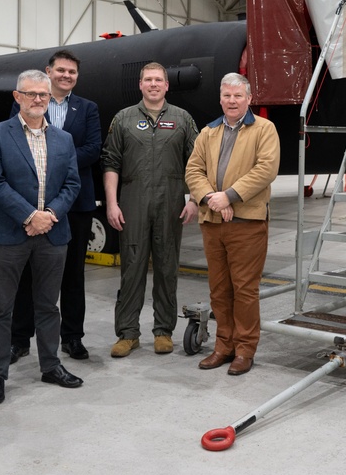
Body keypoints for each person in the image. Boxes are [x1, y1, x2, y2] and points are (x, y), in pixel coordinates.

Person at [0, 70, 82, 405]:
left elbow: (72, 185)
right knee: (1, 309)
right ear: (17, 96)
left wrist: (49, 216)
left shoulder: (63, 139)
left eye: (44, 94)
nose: (39, 99)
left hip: (53, 234)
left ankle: (51, 365)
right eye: (31, 94)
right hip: (10, 234)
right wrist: (29, 216)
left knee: (48, 306)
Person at [102, 62, 199, 358]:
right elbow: (111, 163)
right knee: (131, 267)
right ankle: (128, 333)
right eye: (148, 79)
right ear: (141, 85)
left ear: (167, 85)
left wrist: (194, 198)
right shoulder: (123, 119)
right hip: (133, 200)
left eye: (158, 79)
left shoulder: (182, 119)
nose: (153, 84)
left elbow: (197, 164)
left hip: (171, 201)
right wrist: (112, 202)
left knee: (167, 267)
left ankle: (163, 331)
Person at [9, 51, 101, 363]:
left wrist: (55, 165)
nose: (66, 75)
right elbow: (15, 144)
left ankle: (72, 337)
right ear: (49, 71)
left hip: (75, 204)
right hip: (32, 205)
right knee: (26, 273)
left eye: (72, 72)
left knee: (73, 275)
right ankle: (20, 338)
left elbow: (92, 148)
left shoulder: (87, 108)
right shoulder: (26, 102)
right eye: (60, 70)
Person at [185, 73, 279, 376]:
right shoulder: (208, 132)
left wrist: (230, 197)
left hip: (247, 223)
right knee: (219, 289)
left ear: (249, 99)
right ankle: (223, 345)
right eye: (227, 95)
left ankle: (245, 349)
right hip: (212, 221)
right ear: (221, 99)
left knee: (244, 290)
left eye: (238, 95)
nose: (232, 101)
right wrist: (211, 197)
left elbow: (266, 169)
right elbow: (193, 170)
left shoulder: (264, 129)